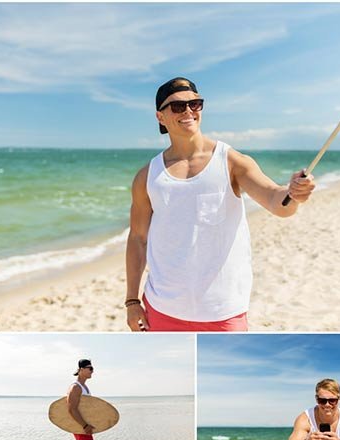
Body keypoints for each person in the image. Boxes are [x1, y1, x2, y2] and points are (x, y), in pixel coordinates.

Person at [125, 77, 315, 333]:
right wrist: (132, 301)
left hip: (223, 311)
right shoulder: (147, 176)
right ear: (161, 117)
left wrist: (294, 193)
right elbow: (137, 238)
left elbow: (276, 200)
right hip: (161, 309)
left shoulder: (231, 161)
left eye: (195, 104)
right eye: (178, 106)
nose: (188, 111)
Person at [53, 361, 97, 440]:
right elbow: (71, 409)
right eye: (90, 368)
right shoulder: (75, 387)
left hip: (84, 424)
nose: (92, 371)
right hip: (79, 425)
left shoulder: (84, 387)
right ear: (81, 369)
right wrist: (84, 425)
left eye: (92, 368)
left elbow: (85, 408)